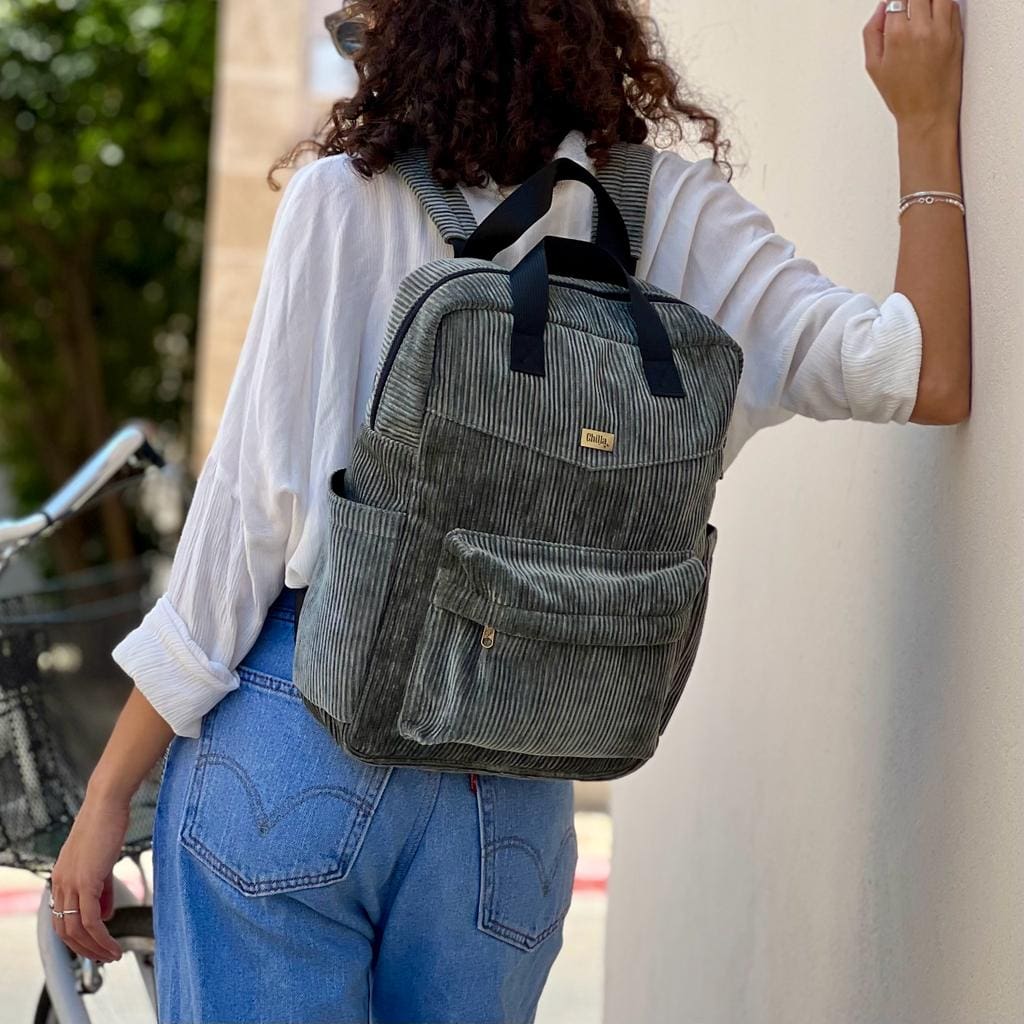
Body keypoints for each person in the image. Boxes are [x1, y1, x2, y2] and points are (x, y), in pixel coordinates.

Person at [48, 1, 969, 1021]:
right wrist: (925, 121)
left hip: (301, 735)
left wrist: (108, 794)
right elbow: (918, 372)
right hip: (514, 788)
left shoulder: (343, 198)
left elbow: (245, 527)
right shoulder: (674, 215)